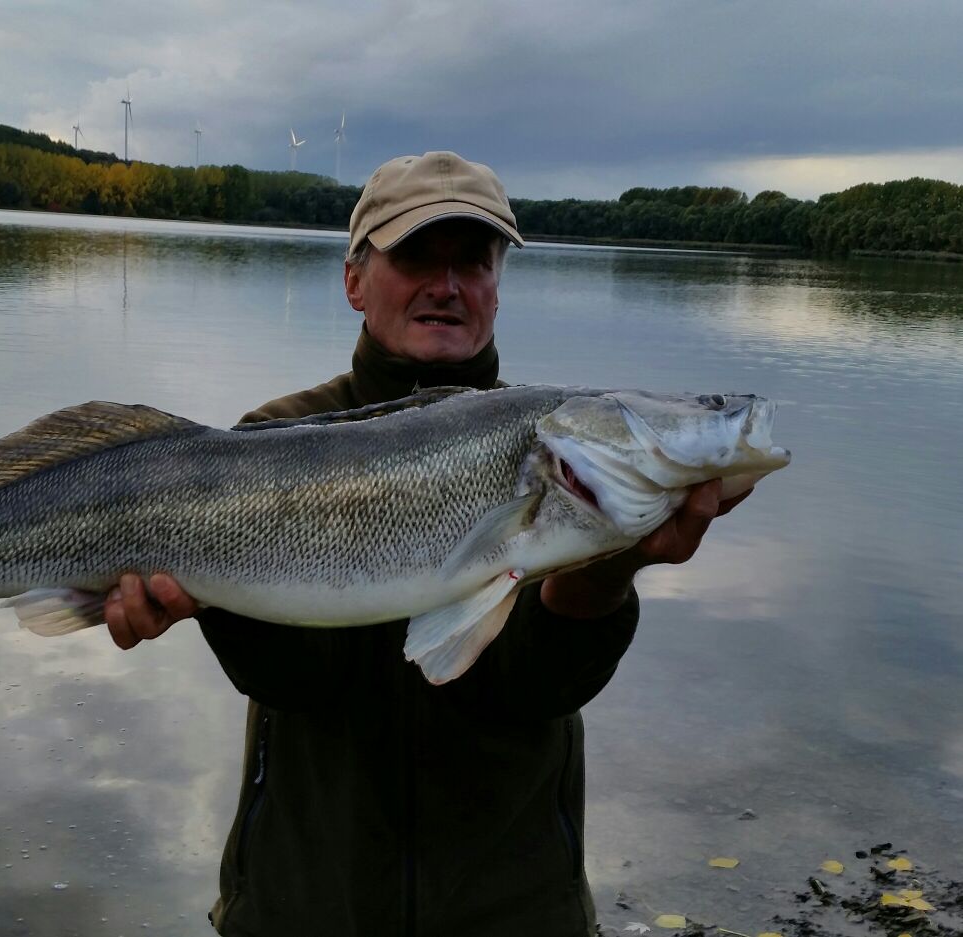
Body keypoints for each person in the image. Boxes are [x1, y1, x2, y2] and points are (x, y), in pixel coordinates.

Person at [103, 152, 749, 937]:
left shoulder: (574, 462)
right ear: (353, 280)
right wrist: (213, 601)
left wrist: (609, 570)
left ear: (496, 286)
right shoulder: (266, 441)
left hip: (514, 912)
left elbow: (536, 691)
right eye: (415, 254)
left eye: (473, 260)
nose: (447, 284)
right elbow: (299, 684)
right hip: (305, 907)